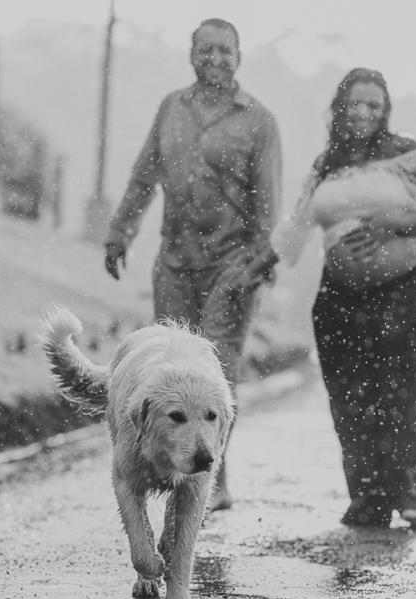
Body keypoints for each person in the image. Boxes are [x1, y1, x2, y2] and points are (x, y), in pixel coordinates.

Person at [104, 18, 282, 511]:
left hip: (234, 265)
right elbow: (144, 178)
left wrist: (263, 259)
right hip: (175, 262)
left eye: (225, 50)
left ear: (239, 57)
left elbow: (268, 201)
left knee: (216, 376)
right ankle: (163, 465)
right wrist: (120, 233)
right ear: (191, 54)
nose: (216, 58)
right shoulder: (171, 108)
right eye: (206, 49)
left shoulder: (260, 121)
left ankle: (211, 477)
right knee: (171, 375)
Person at [270, 67, 416, 529]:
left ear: (385, 110)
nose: (365, 112)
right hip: (341, 302)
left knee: (406, 395)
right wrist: (256, 266)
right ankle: (368, 496)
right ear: (339, 107)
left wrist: (392, 223)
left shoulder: (405, 153)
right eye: (356, 102)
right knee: (351, 399)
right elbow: (295, 227)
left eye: (375, 104)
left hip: (406, 293)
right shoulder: (324, 164)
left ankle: (413, 493)